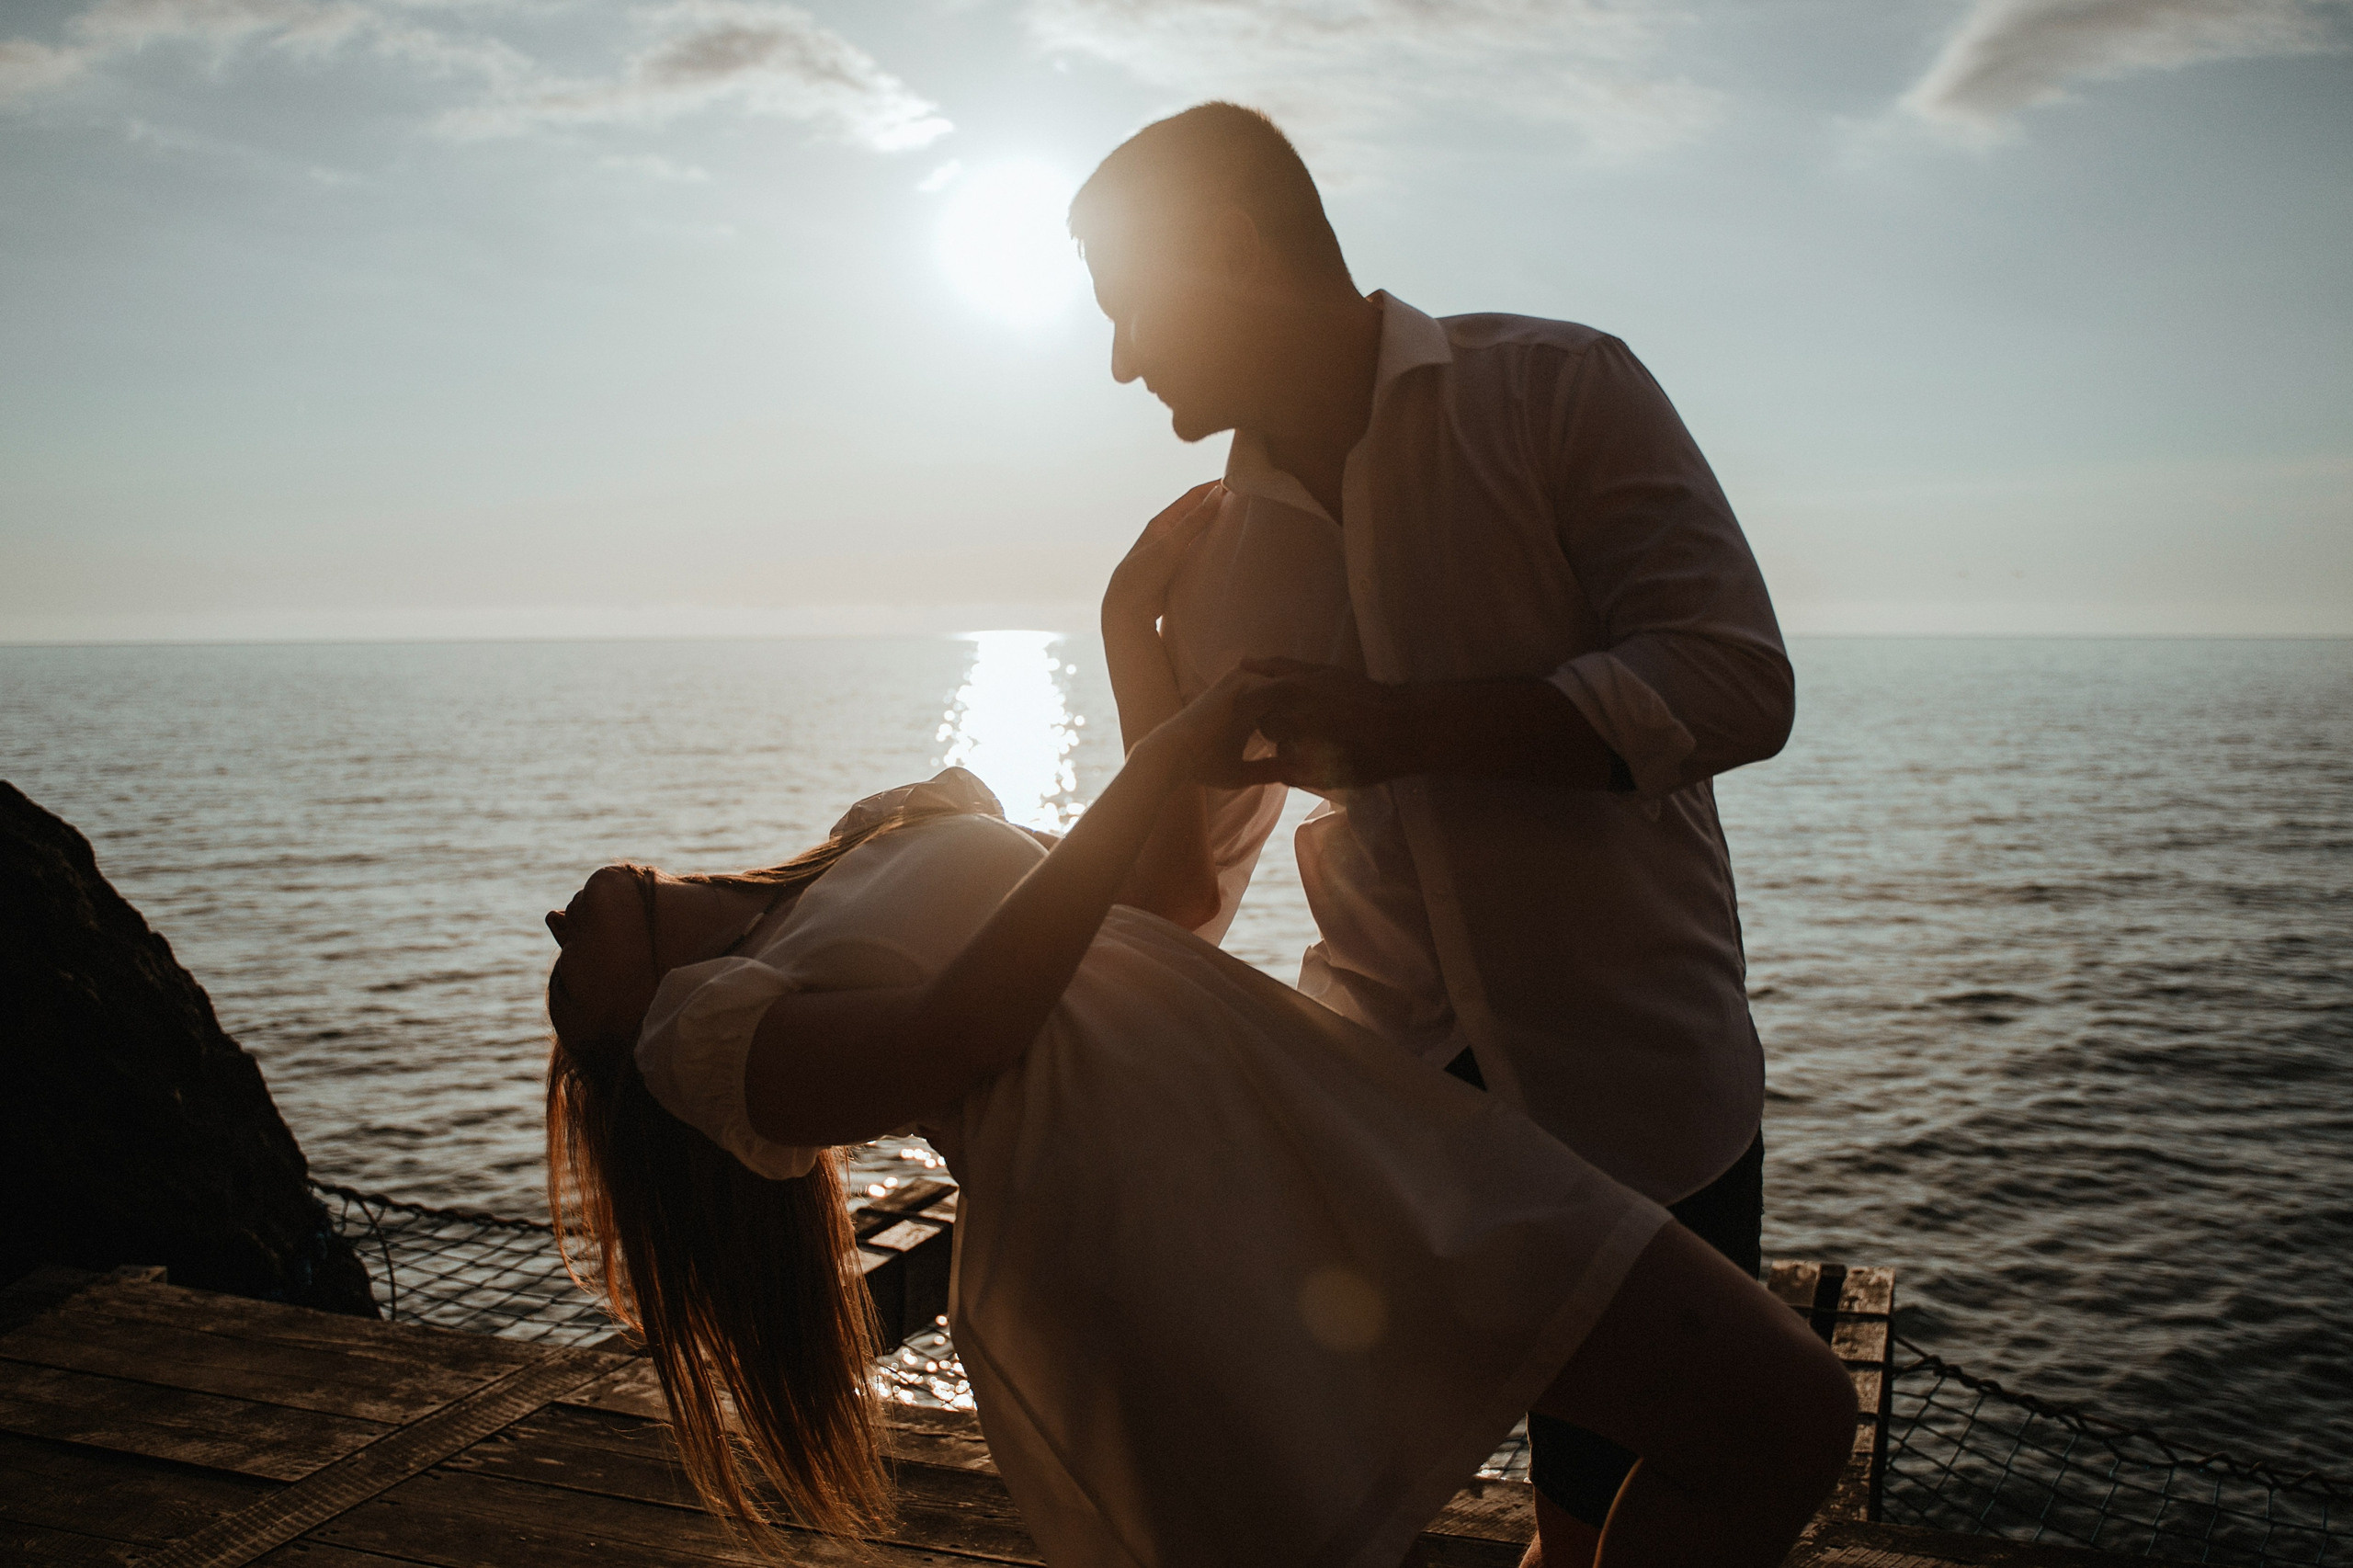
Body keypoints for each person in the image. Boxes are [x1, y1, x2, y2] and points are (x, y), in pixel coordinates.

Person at [542, 667, 1855, 1568]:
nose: (550, 924)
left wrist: (1135, 635)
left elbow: (1154, 899)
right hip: (1162, 1262)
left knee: (1778, 1411)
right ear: (621, 1053)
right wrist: (1168, 750)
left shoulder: (859, 843)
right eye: (560, 992)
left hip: (1329, 1126)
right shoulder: (697, 1040)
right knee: (1771, 1409)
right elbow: (959, 1030)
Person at [1074, 104, 1795, 1564]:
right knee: (1327, 1513)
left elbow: (1737, 677)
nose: (1121, 361)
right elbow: (1175, 910)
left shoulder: (1560, 391)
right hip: (1393, 1123)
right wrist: (1130, 651)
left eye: (1127, 304)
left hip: (1638, 1096)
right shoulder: (1217, 565)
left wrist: (1403, 726)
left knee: (1643, 1509)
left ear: (1226, 249)